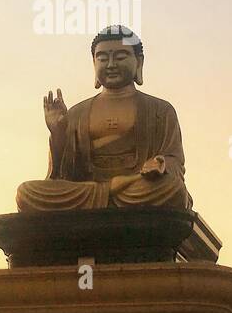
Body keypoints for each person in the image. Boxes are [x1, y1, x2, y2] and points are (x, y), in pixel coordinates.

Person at [16, 26, 191, 211]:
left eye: (120, 56)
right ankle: (109, 195)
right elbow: (62, 175)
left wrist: (160, 163)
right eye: (103, 58)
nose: (110, 65)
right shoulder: (76, 114)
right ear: (94, 63)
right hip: (88, 190)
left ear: (138, 62)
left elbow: (174, 160)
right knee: (26, 192)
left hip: (139, 188)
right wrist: (58, 133)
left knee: (172, 189)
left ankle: (107, 196)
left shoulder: (160, 110)